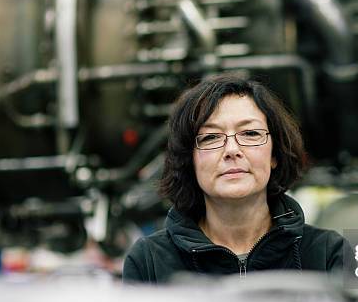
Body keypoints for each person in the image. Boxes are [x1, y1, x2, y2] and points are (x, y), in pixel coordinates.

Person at [123, 74, 345, 283]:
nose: (232, 150)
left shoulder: (329, 253)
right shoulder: (148, 261)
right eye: (210, 137)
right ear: (190, 160)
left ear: (274, 155)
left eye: (250, 133)